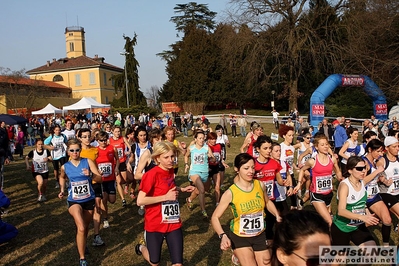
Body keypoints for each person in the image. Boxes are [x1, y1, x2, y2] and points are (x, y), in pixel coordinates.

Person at [211, 153, 281, 266]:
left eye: (253, 167)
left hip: (259, 234)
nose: (251, 171)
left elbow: (267, 202)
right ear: (237, 169)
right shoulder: (231, 192)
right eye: (246, 168)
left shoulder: (260, 185)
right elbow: (215, 217)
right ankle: (238, 254)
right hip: (240, 237)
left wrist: (277, 215)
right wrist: (222, 235)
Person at [135, 141, 195, 266]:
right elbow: (140, 200)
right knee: (154, 261)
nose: (170, 160)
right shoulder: (150, 175)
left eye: (172, 156)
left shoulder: (170, 171)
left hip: (173, 223)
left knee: (178, 263)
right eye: (166, 157)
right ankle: (141, 247)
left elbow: (167, 187)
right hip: (155, 224)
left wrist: (181, 189)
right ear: (157, 158)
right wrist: (165, 197)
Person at [58, 139, 103, 266]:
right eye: (72, 150)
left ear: (80, 150)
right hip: (74, 201)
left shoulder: (87, 162)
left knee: (85, 227)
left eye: (77, 150)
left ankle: (83, 243)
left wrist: (91, 175)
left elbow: (99, 178)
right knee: (81, 226)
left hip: (88, 199)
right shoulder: (65, 166)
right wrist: (62, 190)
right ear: (68, 151)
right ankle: (82, 258)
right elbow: (61, 177)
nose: (75, 152)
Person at [294, 134, 343, 225]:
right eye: (322, 145)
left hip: (329, 193)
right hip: (316, 194)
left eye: (326, 144)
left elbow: (338, 170)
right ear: (316, 147)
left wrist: (340, 177)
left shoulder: (332, 159)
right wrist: (299, 183)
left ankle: (318, 232)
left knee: (327, 217)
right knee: (329, 221)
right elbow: (302, 170)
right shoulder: (312, 161)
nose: (325, 146)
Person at [331, 156, 379, 246]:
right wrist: (361, 217)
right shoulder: (345, 186)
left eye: (364, 167)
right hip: (342, 227)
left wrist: (367, 213)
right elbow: (341, 211)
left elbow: (362, 203)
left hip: (357, 227)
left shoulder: (362, 182)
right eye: (359, 169)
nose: (363, 171)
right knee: (340, 259)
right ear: (350, 170)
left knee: (372, 250)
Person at [362, 139, 392, 247]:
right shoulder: (364, 162)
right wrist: (377, 171)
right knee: (360, 225)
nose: (380, 154)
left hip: (374, 196)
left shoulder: (374, 162)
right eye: (378, 151)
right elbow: (362, 181)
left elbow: (375, 178)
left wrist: (383, 180)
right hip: (364, 198)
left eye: (381, 151)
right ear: (370, 149)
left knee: (387, 220)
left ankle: (386, 246)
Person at [184, 130, 215, 220]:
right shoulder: (192, 148)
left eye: (203, 138)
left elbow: (213, 159)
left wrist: (212, 158)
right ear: (196, 139)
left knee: (199, 190)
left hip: (205, 173)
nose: (202, 140)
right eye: (200, 138)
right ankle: (203, 211)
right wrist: (186, 164)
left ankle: (189, 199)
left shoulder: (206, 148)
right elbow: (186, 155)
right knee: (201, 190)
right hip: (194, 172)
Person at [96, 131, 119, 230]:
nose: (104, 142)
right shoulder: (95, 151)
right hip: (101, 179)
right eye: (101, 140)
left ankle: (105, 213)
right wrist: (96, 171)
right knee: (104, 199)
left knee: (112, 200)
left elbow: (117, 159)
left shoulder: (112, 148)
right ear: (98, 141)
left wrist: (117, 167)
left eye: (105, 140)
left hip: (111, 178)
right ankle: (105, 219)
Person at [376, 136, 399, 233]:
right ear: (387, 148)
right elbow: (377, 177)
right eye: (394, 147)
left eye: (398, 146)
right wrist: (384, 180)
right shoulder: (382, 161)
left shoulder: (398, 159)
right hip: (387, 193)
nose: (397, 149)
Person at [109, 126, 132, 207]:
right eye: (116, 131)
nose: (118, 133)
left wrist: (128, 151)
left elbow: (129, 147)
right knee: (118, 181)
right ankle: (123, 200)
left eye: (119, 131)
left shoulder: (122, 138)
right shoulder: (110, 140)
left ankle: (126, 185)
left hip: (122, 161)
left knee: (124, 179)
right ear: (112, 132)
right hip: (115, 163)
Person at [207, 132, 229, 205]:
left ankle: (217, 202)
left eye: (215, 139)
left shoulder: (218, 146)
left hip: (215, 168)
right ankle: (191, 198)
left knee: (217, 186)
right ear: (208, 139)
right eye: (212, 139)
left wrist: (223, 163)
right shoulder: (205, 147)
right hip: (207, 169)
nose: (213, 141)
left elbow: (220, 157)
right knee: (206, 188)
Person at [44, 124, 68, 188]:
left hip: (62, 154)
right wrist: (50, 147)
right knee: (56, 169)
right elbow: (45, 144)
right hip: (54, 155)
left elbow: (66, 143)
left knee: (64, 168)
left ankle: (65, 180)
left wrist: (67, 149)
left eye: (59, 130)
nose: (58, 131)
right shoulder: (51, 137)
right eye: (56, 130)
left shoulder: (63, 136)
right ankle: (57, 181)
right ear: (54, 131)